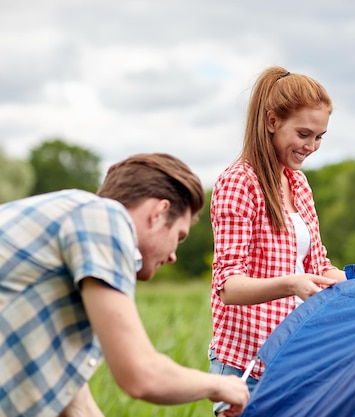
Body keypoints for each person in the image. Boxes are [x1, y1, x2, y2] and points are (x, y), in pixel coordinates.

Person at [209, 66, 355, 416]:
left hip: (292, 360)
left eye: (319, 137)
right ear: (271, 121)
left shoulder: (298, 184)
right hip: (244, 365)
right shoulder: (239, 182)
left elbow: (317, 269)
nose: (311, 146)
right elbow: (228, 286)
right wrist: (291, 284)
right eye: (303, 133)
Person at [0, 153, 249, 417]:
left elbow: (78, 407)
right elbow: (142, 375)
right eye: (179, 236)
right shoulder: (104, 217)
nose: (174, 255)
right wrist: (220, 384)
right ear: (158, 212)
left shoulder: (70, 244)